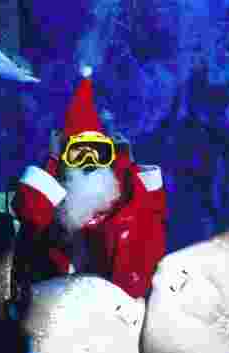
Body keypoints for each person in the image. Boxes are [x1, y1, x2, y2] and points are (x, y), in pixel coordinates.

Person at [12, 65, 167, 301]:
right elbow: (31, 215)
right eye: (79, 153)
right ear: (64, 158)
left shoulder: (125, 201)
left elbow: (148, 221)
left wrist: (127, 167)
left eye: (98, 153)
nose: (89, 162)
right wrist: (52, 163)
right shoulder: (48, 207)